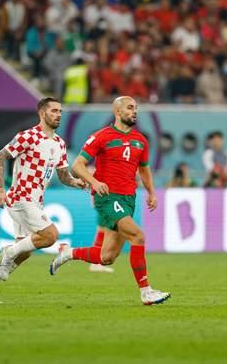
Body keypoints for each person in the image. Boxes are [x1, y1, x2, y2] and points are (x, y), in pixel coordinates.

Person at [48, 96, 171, 306]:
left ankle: (68, 253)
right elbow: (77, 165)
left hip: (128, 199)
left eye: (136, 108)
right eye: (130, 108)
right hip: (107, 198)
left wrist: (151, 193)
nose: (134, 111)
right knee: (138, 236)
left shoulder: (141, 140)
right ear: (118, 111)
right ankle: (146, 292)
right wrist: (94, 182)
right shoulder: (101, 136)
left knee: (107, 257)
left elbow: (144, 169)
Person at [0, 97, 85, 304]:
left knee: (24, 252)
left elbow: (63, 176)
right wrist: (0, 189)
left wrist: (76, 182)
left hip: (35, 201)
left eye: (60, 111)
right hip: (21, 197)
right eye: (53, 111)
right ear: (42, 113)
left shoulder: (59, 144)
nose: (58, 115)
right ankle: (8, 252)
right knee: (50, 236)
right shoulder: (28, 136)